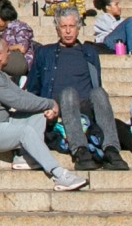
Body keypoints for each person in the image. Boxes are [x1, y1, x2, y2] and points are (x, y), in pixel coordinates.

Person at [0, 35, 87, 190]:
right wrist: (50, 103)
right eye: (7, 51)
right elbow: (17, 102)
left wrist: (46, 105)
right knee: (24, 132)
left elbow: (22, 95)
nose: (10, 54)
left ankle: (25, 158)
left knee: (39, 114)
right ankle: (58, 174)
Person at [27, 12, 126, 169]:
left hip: (85, 108)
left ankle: (111, 149)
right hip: (58, 107)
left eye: (71, 26)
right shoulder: (45, 53)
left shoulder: (90, 52)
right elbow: (33, 88)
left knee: (99, 92)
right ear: (57, 29)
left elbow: (96, 83)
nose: (67, 31)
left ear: (78, 28)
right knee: (69, 93)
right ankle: (80, 150)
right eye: (63, 27)